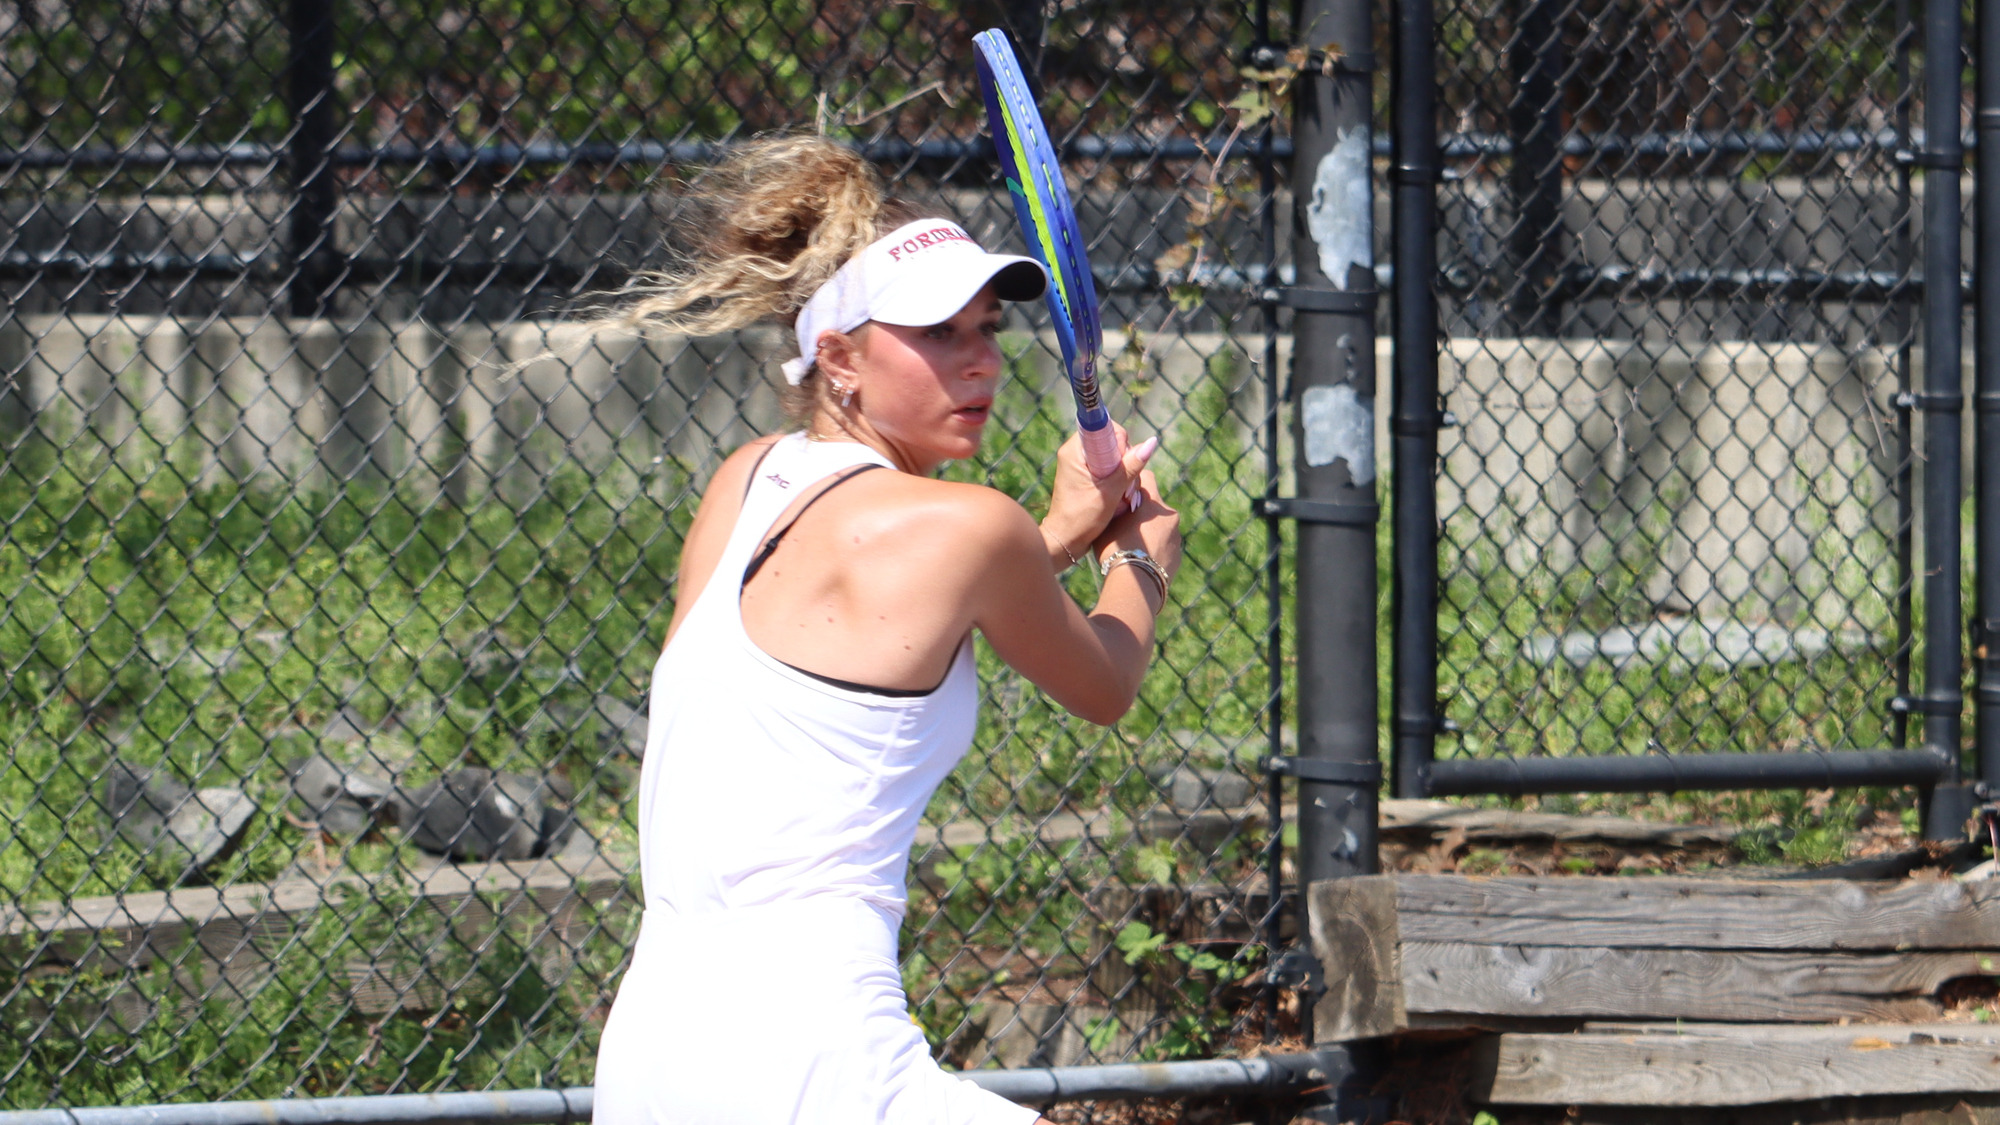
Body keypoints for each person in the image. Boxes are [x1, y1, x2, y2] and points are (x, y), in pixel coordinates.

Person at [590, 136, 1183, 1125]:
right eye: (938, 333)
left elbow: (879, 626)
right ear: (838, 357)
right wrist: (1137, 557)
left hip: (652, 1059)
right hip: (818, 1064)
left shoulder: (744, 481)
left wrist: (1053, 538)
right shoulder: (972, 528)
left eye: (988, 328)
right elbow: (1105, 684)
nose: (982, 359)